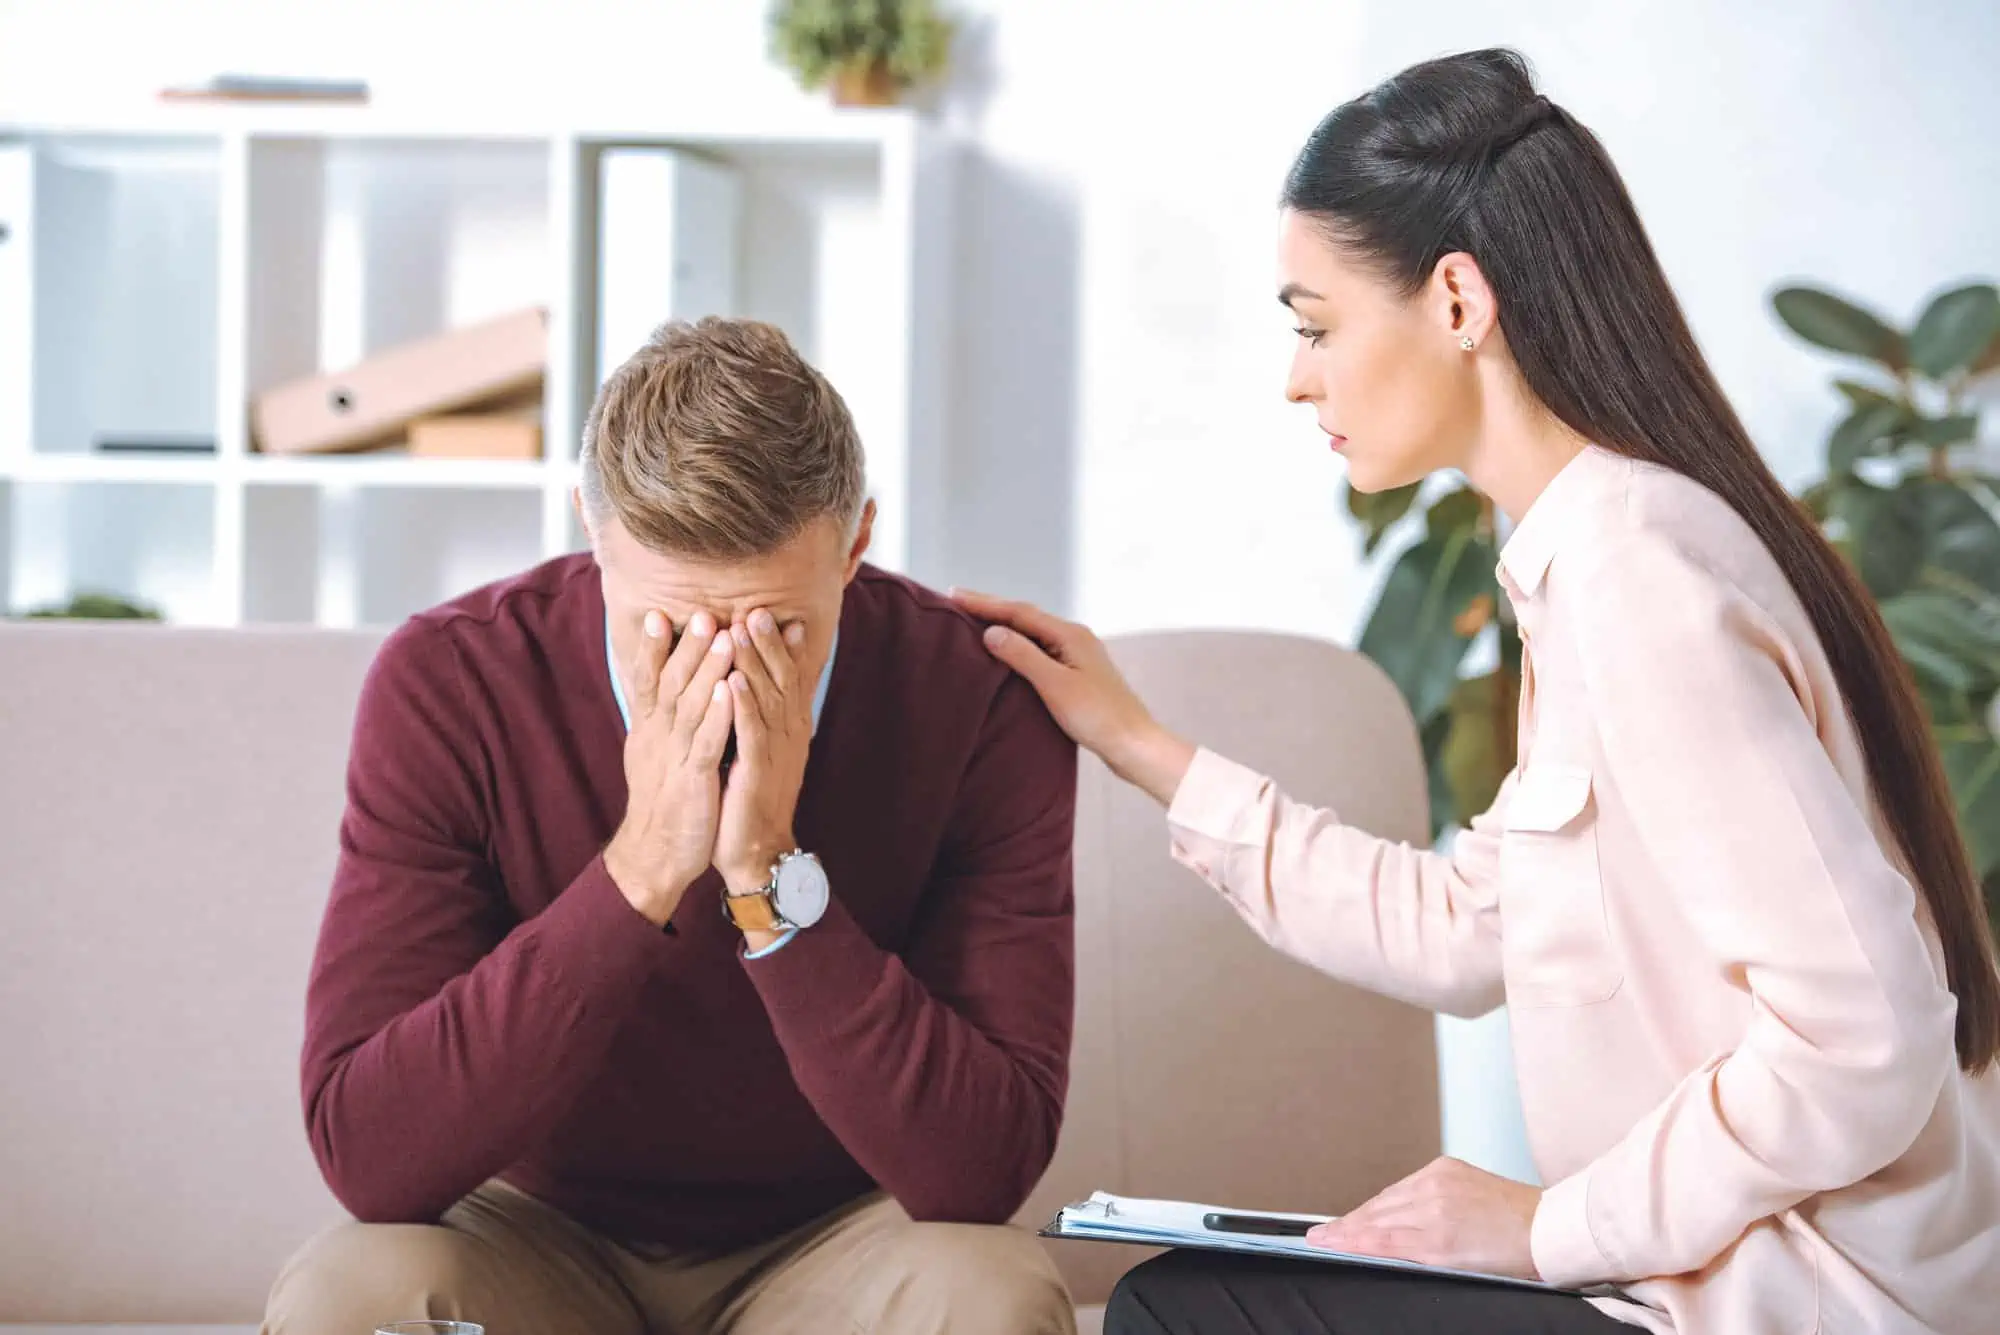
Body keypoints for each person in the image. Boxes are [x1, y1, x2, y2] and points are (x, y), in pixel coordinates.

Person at [955, 47, 2000, 1335]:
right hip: (1694, 1288)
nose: (1296, 376)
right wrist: (1137, 745)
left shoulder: (1633, 571)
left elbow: (1866, 1034)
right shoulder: (1593, 555)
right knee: (1194, 1294)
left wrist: (1544, 1229)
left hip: (1784, 1308)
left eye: (1315, 324)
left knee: (1188, 1313)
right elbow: (1463, 926)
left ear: (1455, 300)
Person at [262, 317, 1080, 1335]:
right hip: (536, 1232)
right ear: (591, 532)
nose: (723, 674)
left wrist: (768, 874)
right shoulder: (453, 680)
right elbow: (370, 1155)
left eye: (778, 629)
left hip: (840, 1233)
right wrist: (641, 868)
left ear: (856, 544)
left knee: (989, 1295)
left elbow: (979, 1170)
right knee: (352, 1297)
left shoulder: (976, 696)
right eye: (670, 626)